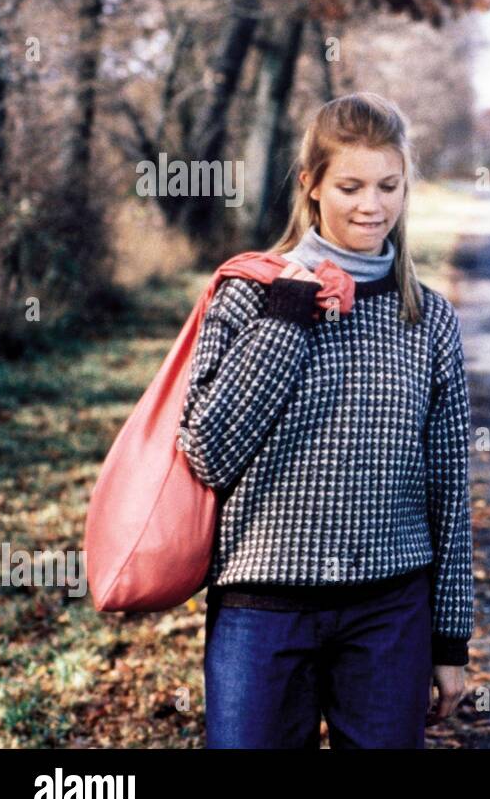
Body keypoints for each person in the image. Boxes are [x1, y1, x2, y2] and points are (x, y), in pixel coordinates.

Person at [178, 92, 473, 748]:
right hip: (263, 608)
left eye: (388, 186)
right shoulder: (248, 294)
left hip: (390, 612)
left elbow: (450, 488)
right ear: (311, 185)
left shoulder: (427, 318)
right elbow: (208, 451)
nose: (372, 205)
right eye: (350, 185)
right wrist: (286, 316)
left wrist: (450, 636)